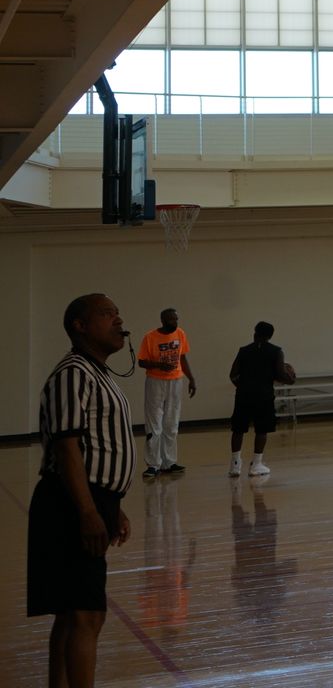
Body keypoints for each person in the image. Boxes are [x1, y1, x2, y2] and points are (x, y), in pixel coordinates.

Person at [30, 294, 136, 688]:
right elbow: (67, 446)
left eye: (117, 313)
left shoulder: (99, 373)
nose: (118, 319)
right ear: (80, 325)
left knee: (71, 612)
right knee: (87, 615)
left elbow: (98, 448)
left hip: (93, 501)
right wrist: (89, 511)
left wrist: (114, 507)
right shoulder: (74, 372)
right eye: (107, 313)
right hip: (71, 504)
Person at [228, 322, 294, 477]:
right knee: (262, 429)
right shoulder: (276, 351)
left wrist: (243, 385)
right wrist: (290, 379)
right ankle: (256, 465)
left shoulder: (244, 350)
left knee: (238, 428)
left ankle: (235, 465)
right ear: (270, 336)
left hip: (243, 394)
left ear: (255, 333)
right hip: (264, 395)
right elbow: (279, 374)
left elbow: (232, 374)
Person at [137, 307, 196, 478]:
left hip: (176, 381)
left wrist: (191, 379)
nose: (175, 323)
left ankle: (169, 462)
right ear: (163, 320)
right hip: (155, 382)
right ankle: (153, 465)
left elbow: (183, 358)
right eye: (171, 320)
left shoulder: (180, 333)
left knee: (171, 423)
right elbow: (141, 362)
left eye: (176, 319)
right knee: (154, 424)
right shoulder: (150, 337)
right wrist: (158, 365)